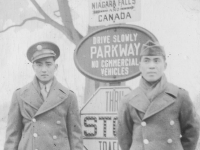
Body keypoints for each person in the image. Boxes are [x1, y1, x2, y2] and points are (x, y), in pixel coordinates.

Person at [117, 41, 200, 150]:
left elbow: (192, 133)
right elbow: (124, 139)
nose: (151, 66)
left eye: (156, 61)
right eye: (146, 61)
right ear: (140, 66)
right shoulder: (128, 100)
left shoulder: (180, 96)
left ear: (165, 65)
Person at [4, 41, 83, 150]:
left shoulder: (68, 96)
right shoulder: (20, 95)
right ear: (33, 67)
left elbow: (75, 138)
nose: (44, 69)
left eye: (48, 64)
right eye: (39, 64)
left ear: (56, 67)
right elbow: (12, 137)